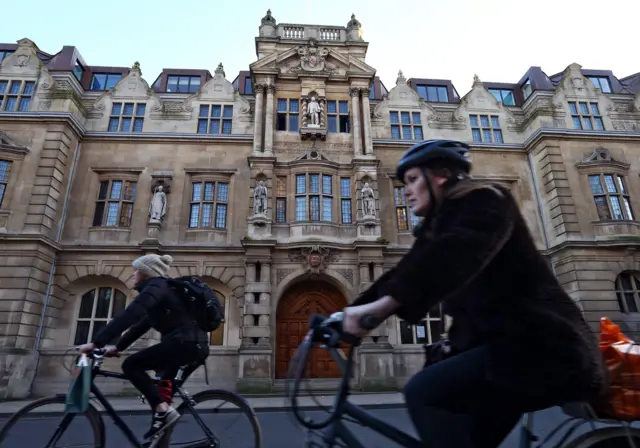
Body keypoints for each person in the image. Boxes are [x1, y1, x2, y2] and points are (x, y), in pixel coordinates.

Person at [342, 139, 607, 447]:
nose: (406, 190)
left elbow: (453, 257)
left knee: (423, 393)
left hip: (544, 351)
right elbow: (406, 271)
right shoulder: (439, 225)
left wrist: (381, 308)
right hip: (505, 355)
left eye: (413, 179)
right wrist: (347, 312)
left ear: (439, 175)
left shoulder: (488, 200)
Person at [77, 254, 209, 440]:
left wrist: (96, 342)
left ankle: (162, 410)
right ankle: (160, 426)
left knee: (131, 365)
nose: (133, 275)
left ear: (146, 273)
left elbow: (131, 314)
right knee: (162, 399)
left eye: (136, 270)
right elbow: (142, 324)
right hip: (194, 346)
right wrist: (118, 347)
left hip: (183, 344)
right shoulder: (164, 291)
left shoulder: (156, 286)